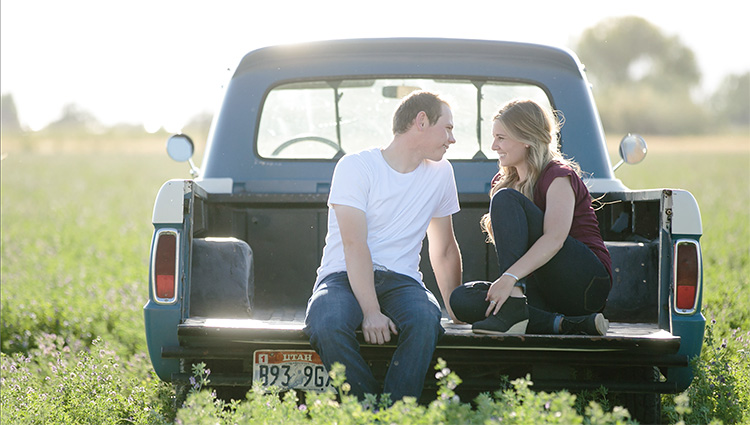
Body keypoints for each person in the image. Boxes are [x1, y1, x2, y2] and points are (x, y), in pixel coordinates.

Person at [304, 91, 463, 402]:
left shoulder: (442, 173)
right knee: (326, 321)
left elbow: (443, 249)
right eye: (447, 128)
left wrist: (456, 311)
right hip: (343, 277)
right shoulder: (356, 166)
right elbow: (354, 244)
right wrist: (371, 311)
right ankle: (365, 412)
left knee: (426, 318)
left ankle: (396, 413)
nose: (452, 139)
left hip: (402, 282)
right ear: (421, 121)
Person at [449, 99, 612, 336]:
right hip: (541, 289)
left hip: (585, 284)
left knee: (506, 198)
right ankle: (565, 324)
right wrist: (508, 282)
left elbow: (555, 238)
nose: (494, 146)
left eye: (501, 138)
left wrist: (510, 279)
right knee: (462, 299)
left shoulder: (557, 176)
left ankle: (515, 304)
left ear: (526, 139)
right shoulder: (503, 183)